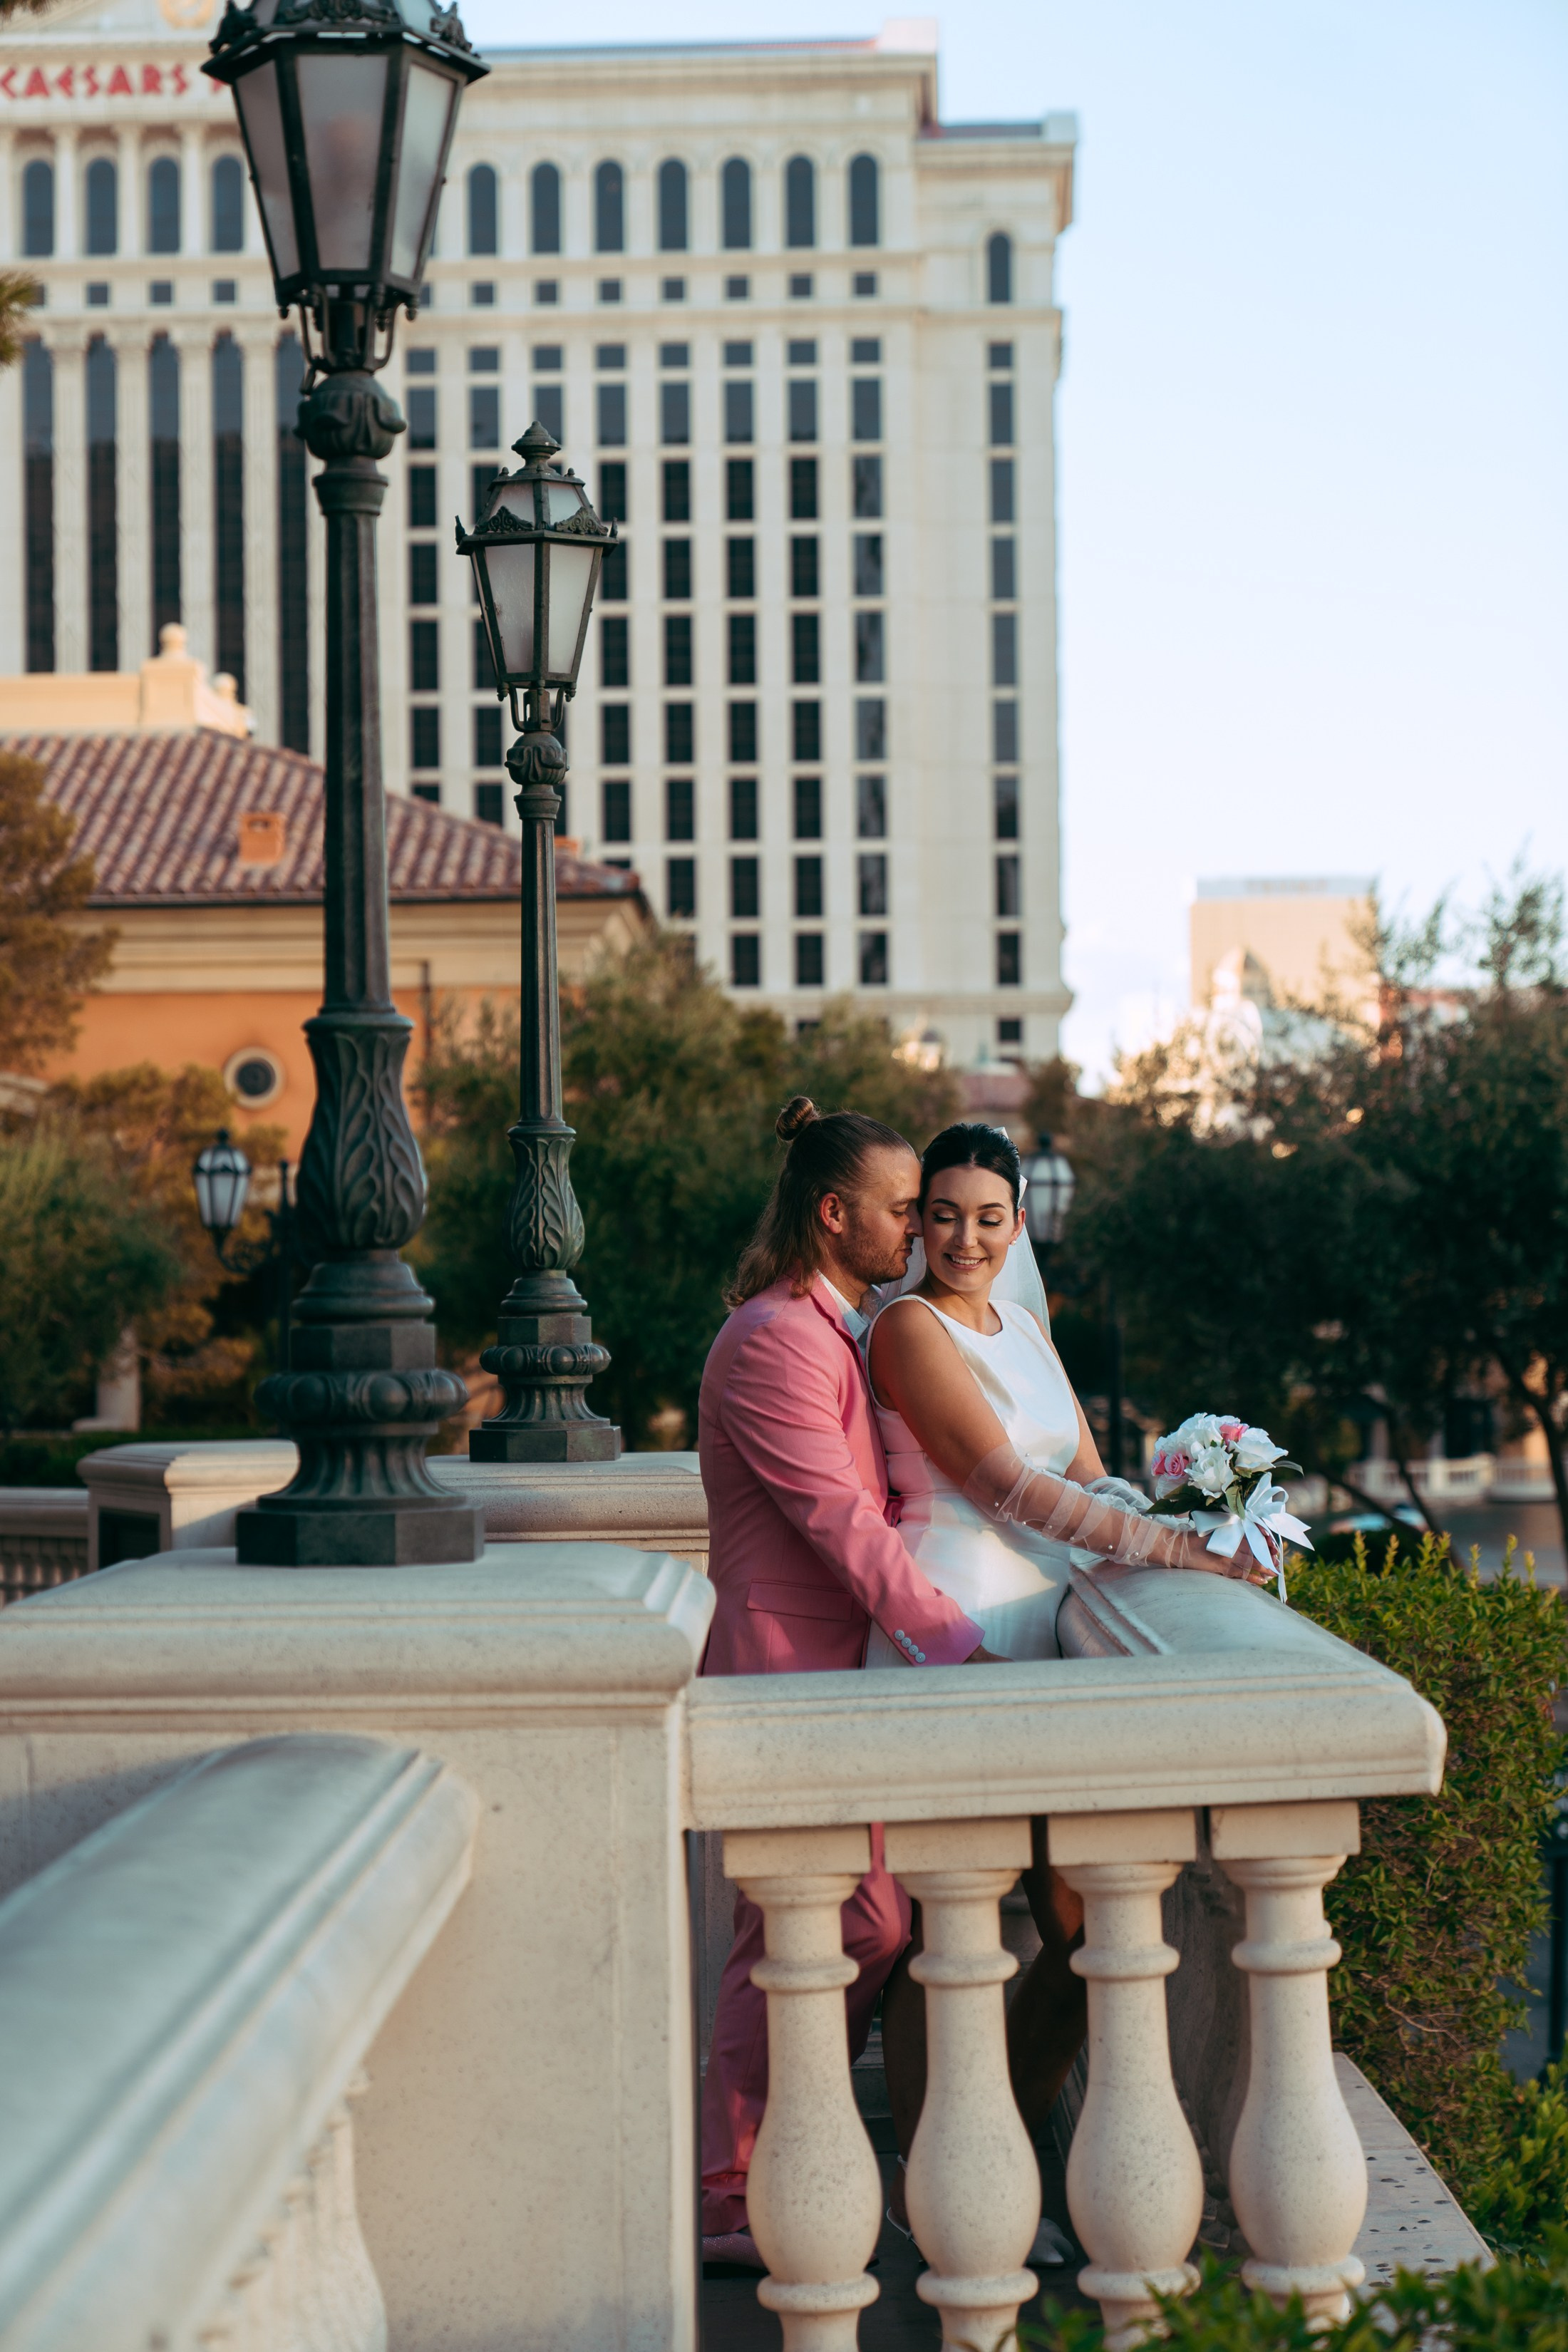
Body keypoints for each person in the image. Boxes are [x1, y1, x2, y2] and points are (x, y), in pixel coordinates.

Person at [865, 1120, 1274, 2235]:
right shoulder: (905, 1327)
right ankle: (935, 2196)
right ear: (919, 1221)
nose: (964, 1236)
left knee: (1087, 1928)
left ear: (1019, 1223)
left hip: (1044, 1632)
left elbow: (1093, 1476)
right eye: (942, 1214)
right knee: (942, 1924)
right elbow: (1005, 1489)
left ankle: (994, 2154)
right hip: (948, 1625)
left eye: (988, 1218)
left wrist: (1205, 1515)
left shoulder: (1029, 1332)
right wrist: (1176, 1554)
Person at [697, 1098, 999, 2270]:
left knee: (850, 1921)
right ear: (834, 1216)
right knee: (809, 1927)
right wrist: (957, 1642)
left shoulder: (840, 1328)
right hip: (789, 1674)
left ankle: (781, 2161)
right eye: (896, 1208)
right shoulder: (775, 1339)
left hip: (846, 1679)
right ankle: (730, 2192)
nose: (917, 1227)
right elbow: (841, 1526)